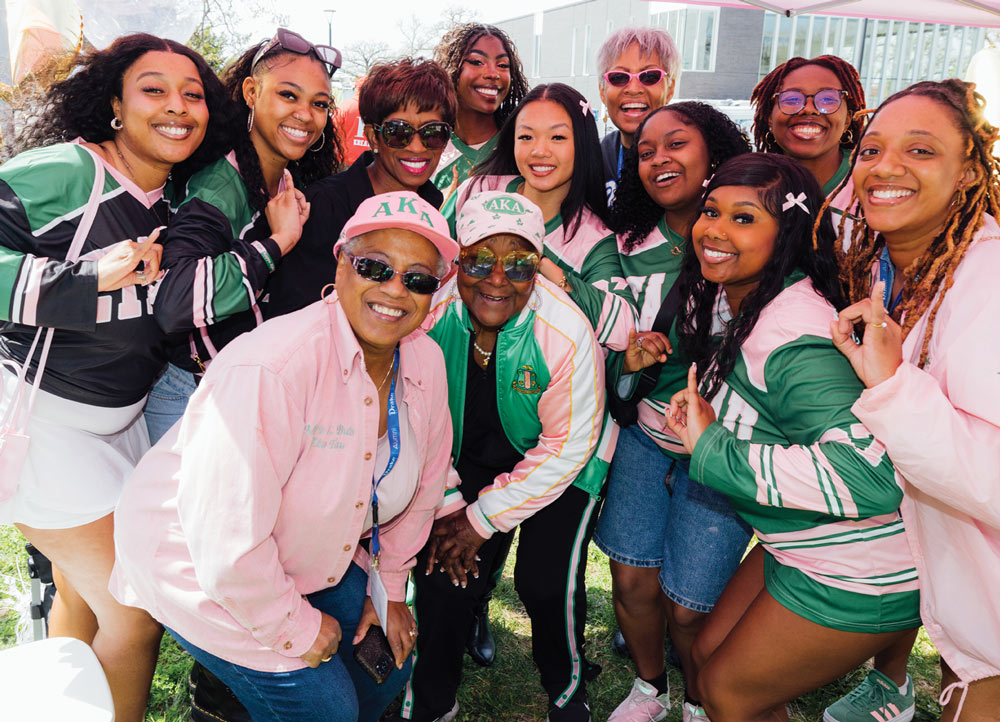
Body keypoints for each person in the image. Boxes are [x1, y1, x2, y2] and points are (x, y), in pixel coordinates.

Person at [110, 191, 460, 722]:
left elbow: (425, 488)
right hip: (202, 566)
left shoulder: (425, 361)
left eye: (418, 279)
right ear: (340, 263)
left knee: (386, 667)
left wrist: (387, 590)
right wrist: (294, 627)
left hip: (301, 554)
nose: (396, 290)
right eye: (375, 267)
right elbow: (225, 542)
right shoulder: (272, 367)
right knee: (325, 708)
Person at [0, 33, 228, 722]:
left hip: (118, 428)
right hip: (43, 426)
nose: (177, 107)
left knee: (82, 596)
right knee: (135, 609)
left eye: (192, 94)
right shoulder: (67, 173)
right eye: (153, 89)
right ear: (115, 105)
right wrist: (85, 278)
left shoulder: (173, 197)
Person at [660, 153, 920, 721]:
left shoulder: (793, 332)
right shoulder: (754, 301)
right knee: (705, 658)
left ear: (789, 235)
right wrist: (711, 416)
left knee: (729, 693)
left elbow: (871, 477)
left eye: (745, 218)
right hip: (799, 544)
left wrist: (712, 449)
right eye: (711, 211)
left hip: (860, 569)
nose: (715, 230)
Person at [396, 191, 606, 722]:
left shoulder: (564, 330)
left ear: (539, 267)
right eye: (479, 261)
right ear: (456, 260)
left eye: (519, 265)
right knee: (443, 573)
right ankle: (434, 701)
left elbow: (566, 447)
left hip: (561, 462)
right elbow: (412, 414)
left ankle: (566, 687)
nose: (497, 279)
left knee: (545, 579)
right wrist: (449, 504)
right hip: (458, 454)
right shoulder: (430, 310)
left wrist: (482, 518)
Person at [829, 79, 1000, 722]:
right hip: (966, 600)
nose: (886, 166)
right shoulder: (891, 264)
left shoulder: (989, 280)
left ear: (966, 173)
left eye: (921, 150)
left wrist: (892, 384)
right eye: (871, 149)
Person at [598, 102, 752, 722]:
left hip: (717, 449)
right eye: (645, 150)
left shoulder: (753, 238)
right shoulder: (624, 247)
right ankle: (649, 689)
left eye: (676, 144)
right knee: (632, 580)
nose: (660, 159)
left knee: (691, 604)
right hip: (644, 437)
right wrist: (630, 366)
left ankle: (699, 700)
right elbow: (606, 363)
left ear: (712, 152)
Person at [144, 28, 342, 442]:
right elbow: (175, 301)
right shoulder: (219, 184)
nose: (305, 115)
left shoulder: (287, 178)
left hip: (241, 394)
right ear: (251, 92)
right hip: (191, 400)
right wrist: (279, 242)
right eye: (288, 95)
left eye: (319, 103)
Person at [264, 57, 456, 320]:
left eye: (433, 132)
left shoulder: (432, 208)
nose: (417, 147)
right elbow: (292, 317)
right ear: (372, 136)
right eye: (398, 132)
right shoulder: (322, 207)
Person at [461, 82, 636, 352]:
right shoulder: (478, 189)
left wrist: (544, 268)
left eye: (557, 138)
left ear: (583, 144)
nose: (539, 151)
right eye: (526, 137)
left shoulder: (594, 241)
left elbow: (627, 328)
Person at [432, 23, 529, 225]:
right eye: (477, 62)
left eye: (502, 65)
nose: (493, 74)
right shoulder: (428, 146)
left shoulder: (521, 147)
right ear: (451, 69)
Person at [751, 55, 865, 224]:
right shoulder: (747, 181)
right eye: (791, 99)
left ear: (848, 118)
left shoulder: (870, 179)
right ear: (769, 117)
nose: (809, 109)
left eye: (827, 99)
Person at [596, 26, 680, 205]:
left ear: (670, 88)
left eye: (649, 76)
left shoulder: (688, 157)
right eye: (619, 77)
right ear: (602, 91)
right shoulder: (595, 157)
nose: (633, 89)